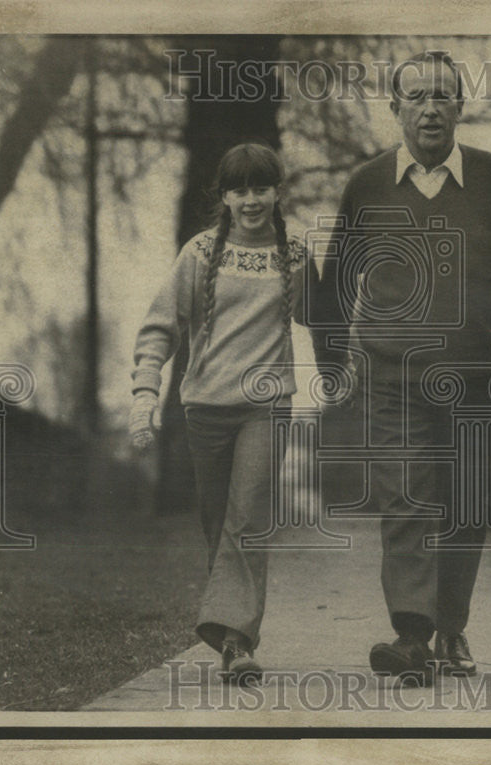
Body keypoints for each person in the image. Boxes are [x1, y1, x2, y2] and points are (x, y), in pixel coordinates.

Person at [311, 51, 491, 682]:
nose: (431, 107)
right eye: (417, 96)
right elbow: (336, 283)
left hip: (477, 373)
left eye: (443, 95)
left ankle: (450, 631)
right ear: (396, 109)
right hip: (393, 375)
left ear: (461, 108)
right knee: (407, 498)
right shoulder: (366, 184)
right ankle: (412, 637)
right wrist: (333, 364)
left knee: (468, 503)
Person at [128, 143, 309, 684]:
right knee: (218, 524)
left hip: (267, 405)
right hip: (205, 406)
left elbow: (329, 317)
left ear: (278, 192)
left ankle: (235, 641)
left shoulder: (295, 254)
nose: (251, 200)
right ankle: (233, 628)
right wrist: (144, 394)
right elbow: (161, 325)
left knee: (246, 519)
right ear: (225, 196)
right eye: (239, 189)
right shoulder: (200, 252)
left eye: (261, 188)